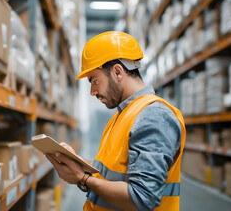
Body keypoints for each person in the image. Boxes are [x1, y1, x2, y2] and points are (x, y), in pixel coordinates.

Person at [46, 31, 186, 211]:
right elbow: (113, 174)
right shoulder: (122, 116)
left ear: (118, 72)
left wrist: (83, 178)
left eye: (95, 81)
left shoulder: (154, 116)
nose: (92, 91)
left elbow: (143, 197)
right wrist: (77, 163)